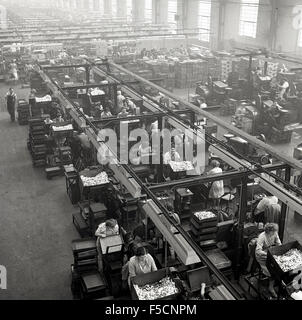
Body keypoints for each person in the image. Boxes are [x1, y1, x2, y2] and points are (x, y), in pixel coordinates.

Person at [255, 223, 282, 298]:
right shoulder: (262, 236)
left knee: (279, 266)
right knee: (271, 270)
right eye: (272, 232)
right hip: (262, 256)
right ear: (267, 231)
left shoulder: (275, 233)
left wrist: (281, 250)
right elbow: (258, 251)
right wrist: (268, 255)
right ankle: (271, 288)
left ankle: (278, 282)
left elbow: (279, 243)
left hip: (270, 253)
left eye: (274, 232)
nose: (273, 234)